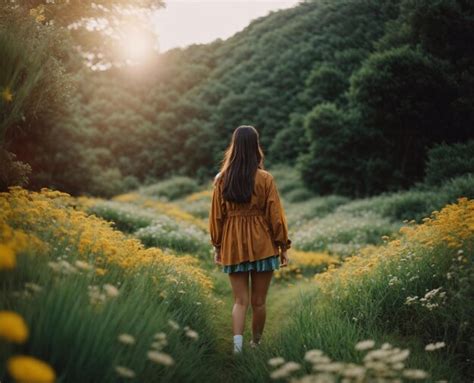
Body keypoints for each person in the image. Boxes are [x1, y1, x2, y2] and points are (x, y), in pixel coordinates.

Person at [209, 125, 291, 354]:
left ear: (234, 147)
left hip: (233, 245)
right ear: (256, 146)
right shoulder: (265, 179)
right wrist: (282, 245)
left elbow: (217, 216)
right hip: (262, 245)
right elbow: (275, 215)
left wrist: (217, 246)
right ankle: (255, 345)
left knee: (239, 301)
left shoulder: (221, 179)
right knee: (259, 302)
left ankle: (237, 348)